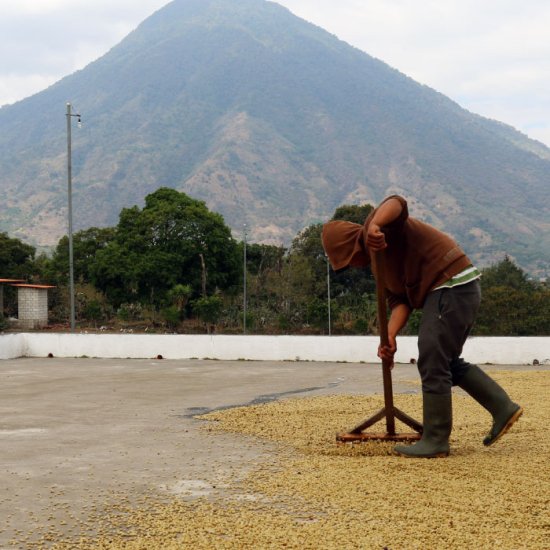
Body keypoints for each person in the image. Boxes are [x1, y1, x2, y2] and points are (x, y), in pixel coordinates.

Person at [321, 195, 523, 458]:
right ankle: (502, 407)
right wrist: (390, 336)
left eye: (347, 261)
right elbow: (399, 303)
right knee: (444, 361)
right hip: (455, 289)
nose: (351, 266)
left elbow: (397, 202)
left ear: (350, 249)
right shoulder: (378, 266)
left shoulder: (378, 227)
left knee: (432, 359)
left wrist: (375, 226)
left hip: (449, 283)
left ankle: (436, 439)